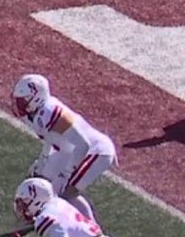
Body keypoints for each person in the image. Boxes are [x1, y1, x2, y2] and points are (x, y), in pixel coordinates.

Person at [11, 74, 117, 223]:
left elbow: (83, 144)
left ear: (36, 98)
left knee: (67, 193)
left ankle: (94, 233)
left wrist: (65, 174)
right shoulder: (35, 114)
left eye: (23, 100)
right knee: (42, 180)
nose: (19, 104)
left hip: (95, 151)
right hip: (69, 150)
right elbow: (50, 137)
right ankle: (44, 215)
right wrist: (43, 159)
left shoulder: (51, 112)